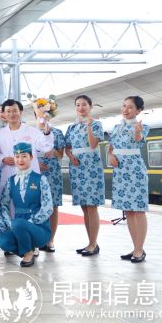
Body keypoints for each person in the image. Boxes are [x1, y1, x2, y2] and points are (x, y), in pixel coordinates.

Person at [0, 142, 54, 268]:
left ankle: (28, 253)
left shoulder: (40, 179)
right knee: (2, 241)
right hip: (18, 227)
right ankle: (28, 250)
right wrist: (9, 223)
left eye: (24, 156)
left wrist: (31, 222)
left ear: (31, 157)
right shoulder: (10, 181)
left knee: (19, 223)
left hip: (39, 229)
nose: (20, 160)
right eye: (17, 157)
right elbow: (3, 205)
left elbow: (48, 207)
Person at [109, 96, 149, 263]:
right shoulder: (116, 127)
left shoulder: (143, 127)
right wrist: (110, 155)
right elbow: (111, 148)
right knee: (129, 211)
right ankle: (135, 247)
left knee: (138, 210)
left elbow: (138, 141)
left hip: (134, 171)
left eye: (130, 107)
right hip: (120, 171)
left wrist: (137, 130)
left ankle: (140, 249)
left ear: (138, 110)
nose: (125, 109)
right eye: (124, 106)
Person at [65, 95, 105, 257]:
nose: (80, 108)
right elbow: (67, 147)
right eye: (77, 105)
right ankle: (90, 242)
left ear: (90, 106)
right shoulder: (72, 127)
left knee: (91, 206)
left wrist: (89, 126)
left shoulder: (96, 124)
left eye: (84, 105)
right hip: (77, 168)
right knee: (84, 207)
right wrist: (70, 156)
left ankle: (93, 243)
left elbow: (93, 144)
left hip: (91, 167)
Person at [0, 99, 53, 194]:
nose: (11, 114)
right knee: (8, 201)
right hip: (8, 174)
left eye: (15, 111)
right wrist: (3, 159)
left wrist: (47, 132)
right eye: (8, 111)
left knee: (30, 200)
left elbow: (46, 147)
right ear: (4, 113)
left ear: (21, 112)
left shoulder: (32, 131)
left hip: (30, 176)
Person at [37, 123, 65, 253]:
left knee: (53, 205)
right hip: (36, 170)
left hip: (53, 171)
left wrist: (53, 150)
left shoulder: (57, 132)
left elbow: (61, 154)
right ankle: (37, 240)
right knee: (35, 205)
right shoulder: (32, 132)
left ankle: (50, 240)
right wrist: (35, 163)